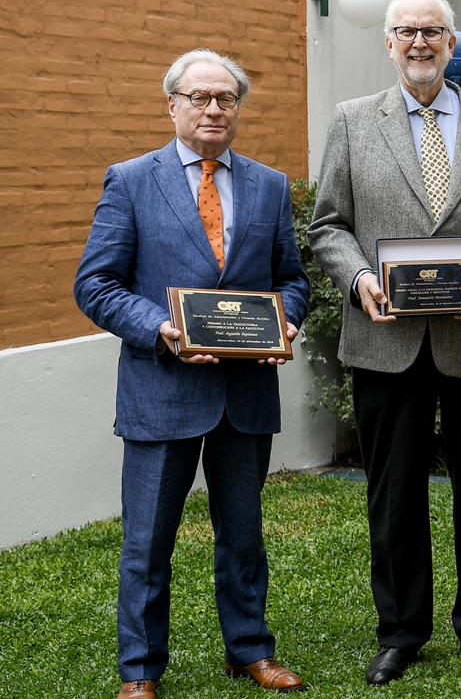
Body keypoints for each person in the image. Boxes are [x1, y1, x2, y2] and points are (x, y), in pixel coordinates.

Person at [307, 0, 461, 685]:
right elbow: (328, 226)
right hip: (385, 338)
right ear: (388, 42)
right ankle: (401, 630)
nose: (419, 43)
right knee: (394, 494)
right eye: (406, 31)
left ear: (451, 41)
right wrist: (359, 280)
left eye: (431, 31)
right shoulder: (350, 121)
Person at [75, 49, 311, 699]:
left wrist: (287, 322)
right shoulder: (129, 180)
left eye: (225, 98)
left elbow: (291, 280)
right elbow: (95, 284)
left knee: (244, 535)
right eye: (199, 97)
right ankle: (141, 671)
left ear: (237, 107)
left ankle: (249, 650)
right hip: (162, 390)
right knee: (148, 543)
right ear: (172, 105)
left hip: (245, 396)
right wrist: (159, 328)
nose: (213, 109)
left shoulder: (269, 184)